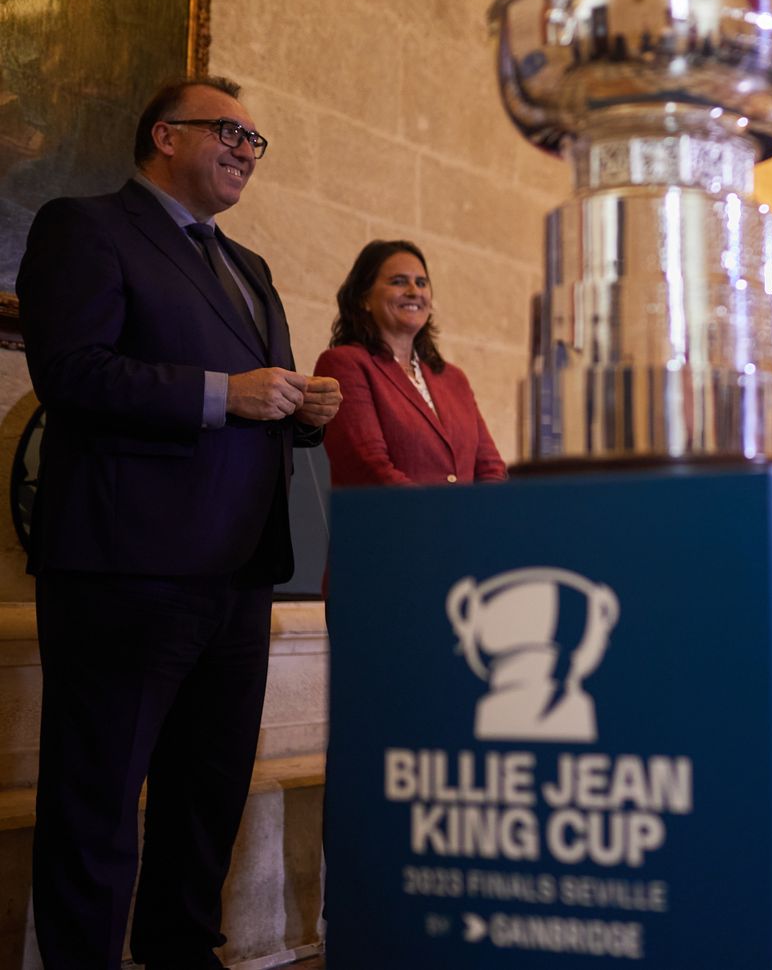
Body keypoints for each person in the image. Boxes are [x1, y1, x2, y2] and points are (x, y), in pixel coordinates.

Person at [17, 76, 341, 969]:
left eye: (255, 141)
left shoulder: (250, 268)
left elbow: (258, 400)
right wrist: (221, 394)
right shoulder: (83, 227)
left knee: (206, 794)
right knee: (100, 793)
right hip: (127, 564)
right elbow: (73, 373)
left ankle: (180, 952)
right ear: (165, 134)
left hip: (239, 571)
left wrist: (304, 411)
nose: (247, 149)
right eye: (229, 131)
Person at [314, 240, 506, 487]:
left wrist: (489, 518)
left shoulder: (454, 378)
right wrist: (438, 519)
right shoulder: (344, 365)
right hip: (393, 523)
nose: (414, 291)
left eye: (422, 283)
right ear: (364, 298)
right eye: (398, 281)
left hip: (466, 525)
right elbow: (369, 467)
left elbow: (490, 467)